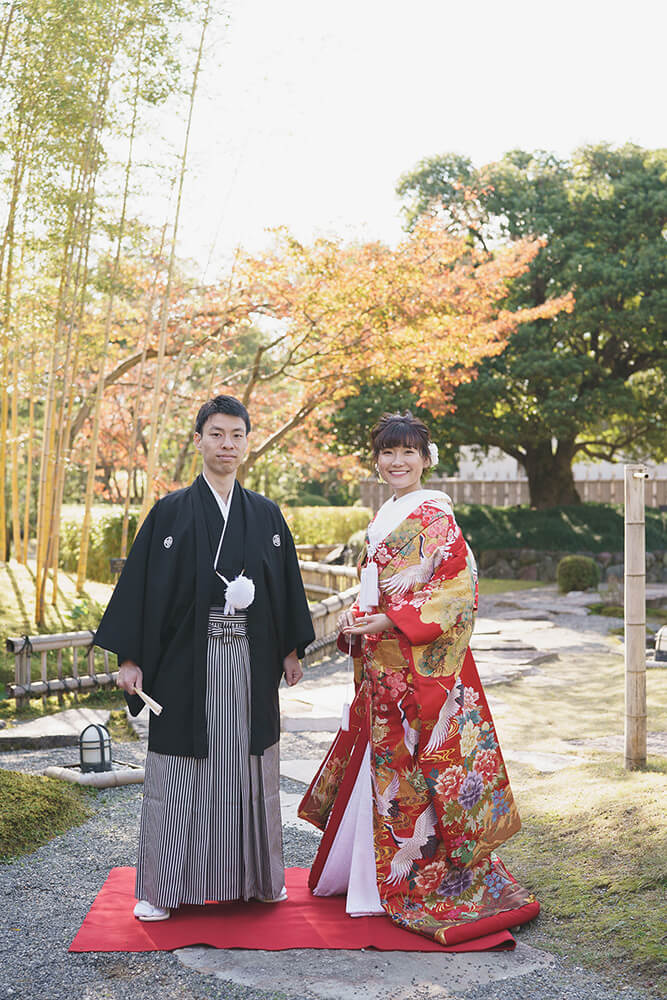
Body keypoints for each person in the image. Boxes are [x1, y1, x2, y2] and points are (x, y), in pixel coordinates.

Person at [298, 412, 538, 946]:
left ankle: (411, 879)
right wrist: (357, 619)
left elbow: (456, 590)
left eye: (409, 452)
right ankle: (368, 877)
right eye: (388, 453)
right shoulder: (387, 514)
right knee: (381, 766)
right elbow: (373, 588)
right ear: (378, 460)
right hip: (383, 662)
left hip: (419, 664)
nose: (397, 461)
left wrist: (391, 620)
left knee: (414, 767)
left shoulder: (435, 516)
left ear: (427, 459)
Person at [95, 395, 315, 921]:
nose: (227, 445)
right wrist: (131, 658)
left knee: (250, 769)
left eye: (236, 435)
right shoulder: (170, 512)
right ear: (198, 440)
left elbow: (284, 586)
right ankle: (161, 888)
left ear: (246, 441)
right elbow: (143, 591)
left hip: (250, 660)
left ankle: (257, 880)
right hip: (184, 665)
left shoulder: (264, 514)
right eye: (216, 434)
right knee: (179, 771)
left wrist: (289, 648)